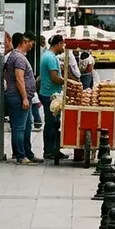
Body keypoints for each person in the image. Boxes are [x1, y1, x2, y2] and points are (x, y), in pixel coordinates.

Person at [4, 33, 41, 164]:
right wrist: (25, 98)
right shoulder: (18, 58)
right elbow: (19, 79)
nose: (32, 46)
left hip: (22, 97)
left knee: (26, 126)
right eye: (31, 43)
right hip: (19, 97)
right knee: (19, 127)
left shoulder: (15, 56)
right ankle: (20, 155)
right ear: (25, 42)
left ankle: (27, 153)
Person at [38, 34, 67, 162]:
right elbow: (54, 77)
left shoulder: (49, 56)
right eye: (63, 44)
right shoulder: (50, 58)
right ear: (58, 44)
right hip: (50, 95)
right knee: (51, 123)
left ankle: (54, 149)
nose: (64, 47)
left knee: (55, 123)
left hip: (51, 94)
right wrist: (67, 82)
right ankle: (49, 151)